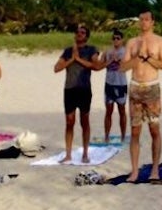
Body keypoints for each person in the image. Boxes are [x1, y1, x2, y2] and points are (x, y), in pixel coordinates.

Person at [121, 10, 162, 182]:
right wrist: (137, 57)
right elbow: (123, 67)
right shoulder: (132, 42)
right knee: (134, 131)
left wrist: (148, 57)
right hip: (135, 88)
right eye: (141, 19)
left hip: (151, 88)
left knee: (154, 129)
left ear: (152, 22)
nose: (143, 22)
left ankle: (155, 169)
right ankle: (134, 170)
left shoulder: (160, 41)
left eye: (147, 19)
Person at [53, 24, 100, 163]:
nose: (79, 34)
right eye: (77, 32)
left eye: (83, 32)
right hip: (70, 89)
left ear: (86, 36)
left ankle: (85, 153)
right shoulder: (68, 51)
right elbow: (57, 68)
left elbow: (96, 65)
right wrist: (72, 59)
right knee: (69, 121)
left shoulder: (91, 49)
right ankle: (68, 154)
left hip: (84, 89)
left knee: (84, 121)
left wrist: (78, 59)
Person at [95, 28, 128, 142]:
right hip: (109, 84)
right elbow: (98, 66)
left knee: (122, 110)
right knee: (108, 111)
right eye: (113, 38)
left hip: (121, 84)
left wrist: (118, 61)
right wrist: (109, 61)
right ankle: (107, 136)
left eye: (118, 38)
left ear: (122, 40)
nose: (115, 41)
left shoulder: (125, 52)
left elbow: (127, 66)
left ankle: (123, 135)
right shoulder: (107, 51)